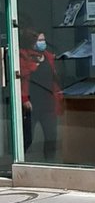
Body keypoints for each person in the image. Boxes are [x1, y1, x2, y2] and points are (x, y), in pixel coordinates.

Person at [19, 28, 63, 162]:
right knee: (28, 137)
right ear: (32, 42)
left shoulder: (49, 57)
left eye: (43, 40)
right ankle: (21, 161)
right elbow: (21, 79)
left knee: (51, 137)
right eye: (39, 40)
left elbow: (54, 78)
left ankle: (50, 163)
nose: (42, 43)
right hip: (32, 104)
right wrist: (24, 99)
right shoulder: (23, 56)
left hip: (48, 103)